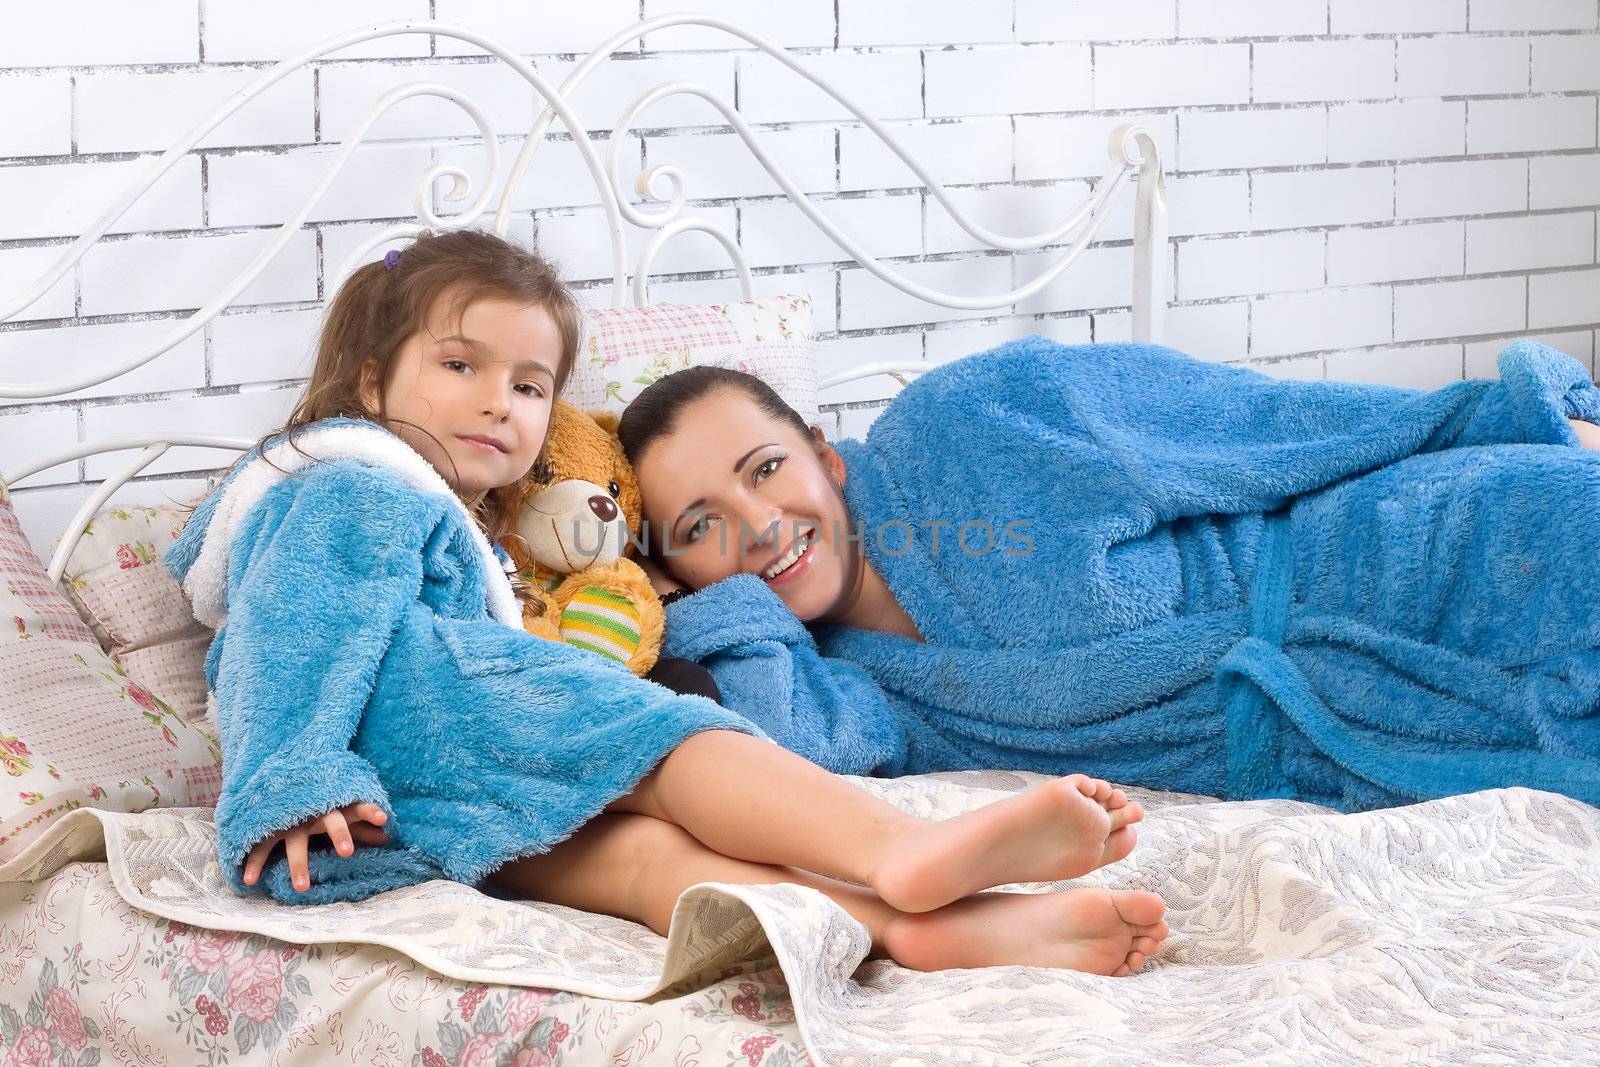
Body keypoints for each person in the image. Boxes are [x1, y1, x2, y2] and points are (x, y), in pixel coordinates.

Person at [163, 230, 1169, 976]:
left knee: (647, 866)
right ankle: (893, 849)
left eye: (527, 385)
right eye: (460, 366)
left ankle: (902, 928)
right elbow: (299, 625)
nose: (495, 402)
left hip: (427, 798)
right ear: (372, 379)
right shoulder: (351, 480)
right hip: (403, 735)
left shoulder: (477, 531)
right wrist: (289, 772)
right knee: (665, 732)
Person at [620, 340, 1600, 813]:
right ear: (678, 570)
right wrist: (716, 611)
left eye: (765, 470)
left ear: (825, 457)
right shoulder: (845, 686)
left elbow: (1254, 423)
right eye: (701, 523)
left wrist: (1506, 416)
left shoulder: (968, 423)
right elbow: (784, 748)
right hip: (1364, 725)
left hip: (1421, 545)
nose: (757, 527)